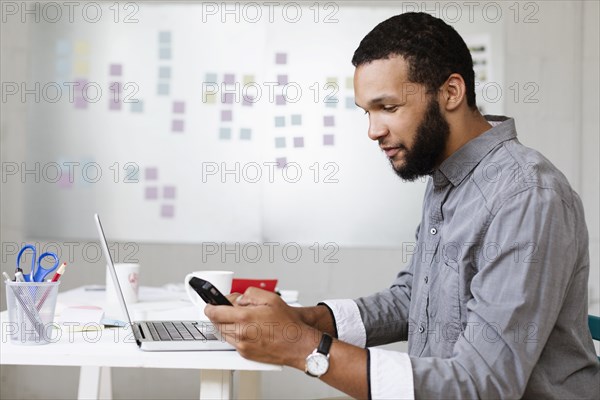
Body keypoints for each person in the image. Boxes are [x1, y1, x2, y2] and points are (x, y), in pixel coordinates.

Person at [206, 12, 600, 399]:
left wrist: (303, 348)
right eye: (368, 112)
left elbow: (484, 386)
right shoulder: (449, 177)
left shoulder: (526, 196)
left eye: (388, 108)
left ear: (450, 92)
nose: (373, 130)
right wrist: (303, 320)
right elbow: (415, 298)